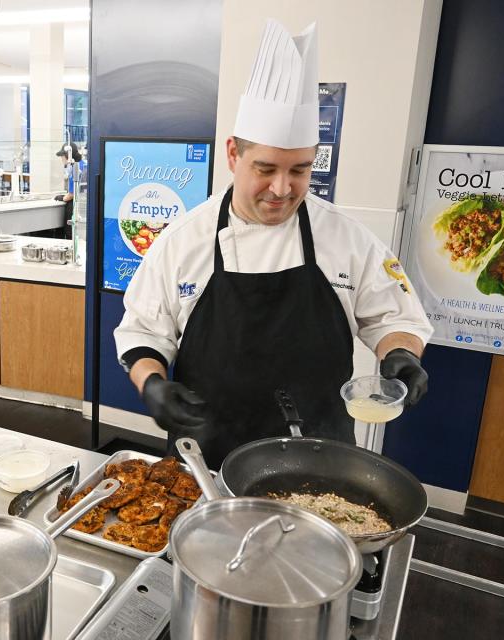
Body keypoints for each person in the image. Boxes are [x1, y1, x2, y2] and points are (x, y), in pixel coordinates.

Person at [114, 20, 433, 469]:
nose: (282, 189)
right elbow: (143, 333)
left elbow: (393, 316)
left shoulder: (345, 237)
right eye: (265, 168)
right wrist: (151, 384)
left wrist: (400, 354)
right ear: (232, 155)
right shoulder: (183, 241)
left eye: (299, 170)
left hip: (320, 454)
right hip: (210, 454)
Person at [54, 142, 84, 239]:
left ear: (68, 155)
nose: (61, 159)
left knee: (71, 233)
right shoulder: (84, 164)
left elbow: (70, 195)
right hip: (84, 205)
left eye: (62, 156)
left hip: (75, 206)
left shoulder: (74, 168)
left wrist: (61, 197)